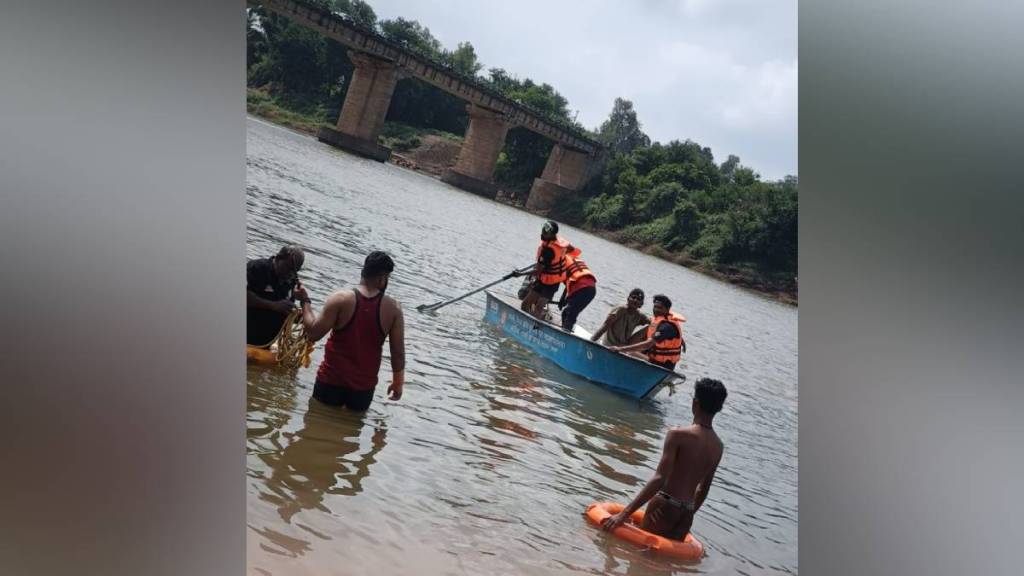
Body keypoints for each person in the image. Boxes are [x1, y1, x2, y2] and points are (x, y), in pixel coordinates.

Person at [601, 378, 727, 541]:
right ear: (718, 409)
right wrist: (686, 514)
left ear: (695, 403)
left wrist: (624, 514)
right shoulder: (718, 446)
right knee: (659, 562)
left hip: (665, 506)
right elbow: (703, 489)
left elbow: (660, 478)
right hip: (687, 512)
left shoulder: (678, 435)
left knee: (639, 557)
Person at [293, 251, 406, 412]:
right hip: (363, 389)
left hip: (330, 380)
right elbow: (398, 352)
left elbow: (313, 333)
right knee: (351, 432)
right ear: (383, 278)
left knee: (317, 424)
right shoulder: (394, 309)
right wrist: (398, 382)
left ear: (364, 271)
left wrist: (305, 301)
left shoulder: (340, 299)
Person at [520, 220, 580, 320]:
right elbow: (571, 249)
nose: (542, 232)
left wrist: (520, 273)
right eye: (543, 229)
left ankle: (534, 327)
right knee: (525, 304)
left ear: (552, 234)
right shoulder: (556, 243)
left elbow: (537, 271)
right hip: (542, 280)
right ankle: (524, 321)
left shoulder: (548, 251)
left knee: (539, 307)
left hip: (552, 283)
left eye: (545, 231)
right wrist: (558, 258)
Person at [607, 294, 686, 370]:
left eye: (660, 308)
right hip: (654, 358)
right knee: (637, 342)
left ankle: (617, 368)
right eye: (655, 307)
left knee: (630, 353)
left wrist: (620, 349)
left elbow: (648, 344)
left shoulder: (666, 326)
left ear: (667, 309)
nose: (656, 310)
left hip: (662, 365)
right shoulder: (659, 320)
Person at [247, 245, 305, 346]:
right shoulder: (257, 268)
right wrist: (273, 305)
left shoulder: (291, 282)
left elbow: (284, 313)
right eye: (288, 268)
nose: (290, 274)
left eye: (294, 272)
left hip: (265, 344)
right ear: (278, 258)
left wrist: (298, 317)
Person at [555, 253, 597, 333]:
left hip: (581, 288)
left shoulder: (564, 262)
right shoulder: (574, 260)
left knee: (569, 312)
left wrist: (564, 299)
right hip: (592, 289)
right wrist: (563, 299)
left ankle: (565, 333)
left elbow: (566, 280)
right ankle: (567, 331)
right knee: (571, 312)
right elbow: (568, 282)